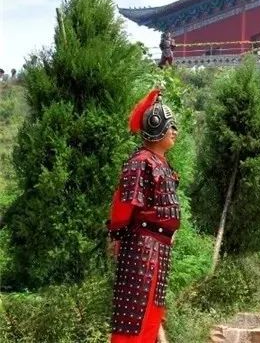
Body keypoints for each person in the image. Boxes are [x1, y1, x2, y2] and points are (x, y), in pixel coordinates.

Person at [107, 89, 180, 343]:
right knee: (133, 318)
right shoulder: (141, 161)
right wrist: (116, 236)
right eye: (170, 126)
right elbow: (124, 204)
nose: (174, 131)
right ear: (156, 127)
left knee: (151, 316)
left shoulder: (162, 164)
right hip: (140, 247)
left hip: (159, 248)